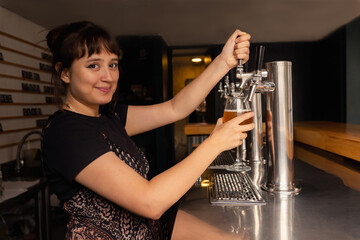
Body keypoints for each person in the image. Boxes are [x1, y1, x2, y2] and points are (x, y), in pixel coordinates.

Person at [41, 21, 253, 240]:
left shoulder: (109, 118)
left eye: (112, 64)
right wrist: (215, 143)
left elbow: (175, 108)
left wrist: (223, 62)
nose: (108, 76)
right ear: (64, 73)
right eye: (93, 65)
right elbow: (150, 202)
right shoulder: (65, 132)